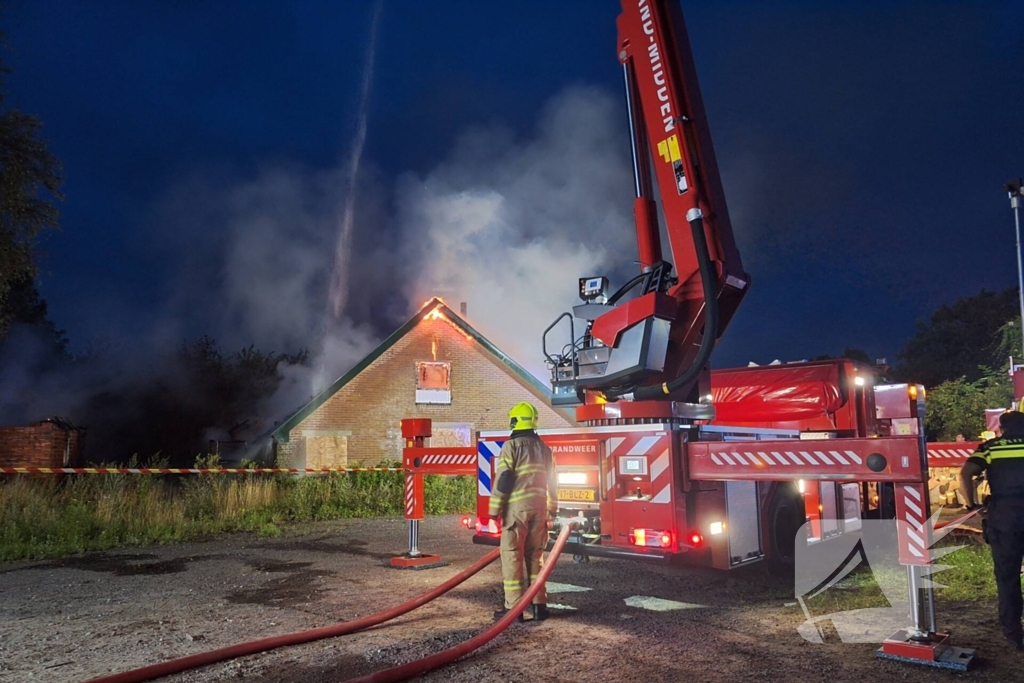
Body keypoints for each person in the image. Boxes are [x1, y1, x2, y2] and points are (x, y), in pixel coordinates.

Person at [485, 401, 558, 622]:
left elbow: (504, 479)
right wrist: (552, 511)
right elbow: (553, 482)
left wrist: (493, 511)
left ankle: (513, 610)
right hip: (539, 509)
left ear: (515, 421)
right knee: (536, 558)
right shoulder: (544, 449)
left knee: (512, 557)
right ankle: (539, 607)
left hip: (516, 512)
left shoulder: (512, 446)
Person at [959, 410, 1024, 651]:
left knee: (1007, 576)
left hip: (1005, 517)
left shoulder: (991, 448)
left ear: (1002, 428)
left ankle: (1013, 634)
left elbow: (965, 473)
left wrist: (973, 506)